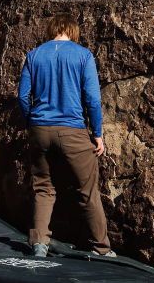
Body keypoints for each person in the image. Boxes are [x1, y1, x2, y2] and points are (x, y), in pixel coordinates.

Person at [18, 14, 115, 258]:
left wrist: (32, 121)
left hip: (39, 129)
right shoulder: (83, 55)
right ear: (72, 31)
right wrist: (98, 134)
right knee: (88, 191)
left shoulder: (34, 55)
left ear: (52, 30)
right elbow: (93, 99)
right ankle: (102, 248)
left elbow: (22, 96)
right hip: (72, 129)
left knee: (43, 188)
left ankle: (39, 243)